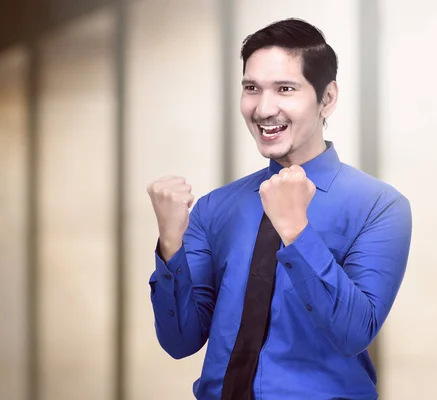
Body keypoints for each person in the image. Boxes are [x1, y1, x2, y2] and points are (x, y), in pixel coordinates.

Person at [146, 18, 412, 400]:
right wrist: (171, 244)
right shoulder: (215, 208)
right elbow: (180, 341)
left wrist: (296, 231)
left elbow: (354, 333)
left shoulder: (380, 207)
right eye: (252, 88)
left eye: (285, 89)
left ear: (327, 98)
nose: (264, 108)